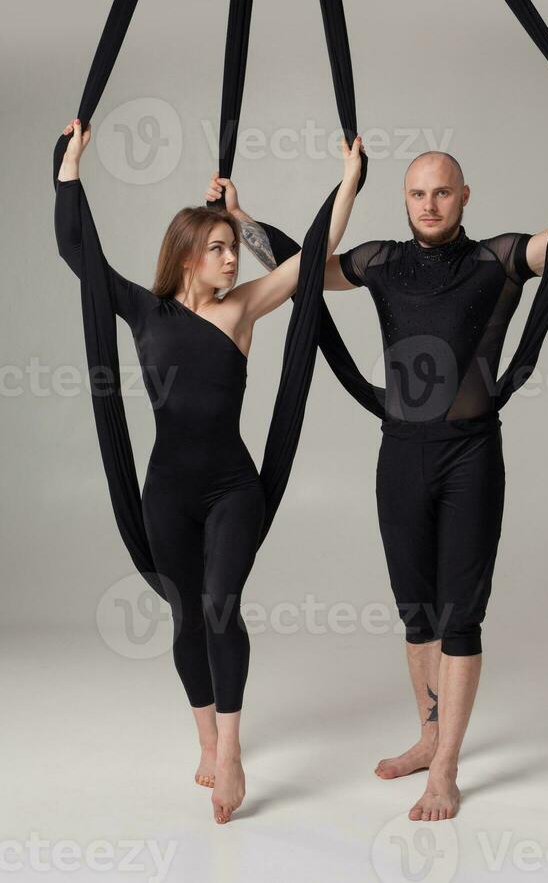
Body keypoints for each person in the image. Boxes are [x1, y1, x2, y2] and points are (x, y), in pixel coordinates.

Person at [221, 88, 548, 821]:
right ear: (403, 199)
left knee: (461, 614)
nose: (428, 204)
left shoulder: (498, 259)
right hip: (400, 454)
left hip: (469, 455)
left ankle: (446, 769)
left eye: (441, 192)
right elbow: (300, 270)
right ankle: (426, 736)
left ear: (463, 195)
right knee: (417, 613)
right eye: (416, 193)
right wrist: (242, 221)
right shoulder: (379, 261)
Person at [55, 118, 364, 825]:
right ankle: (204, 736)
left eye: (232, 249)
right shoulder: (144, 310)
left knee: (221, 604)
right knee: (185, 614)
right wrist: (70, 164)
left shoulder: (244, 310)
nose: (232, 261)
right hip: (167, 492)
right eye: (220, 250)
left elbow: (309, 255)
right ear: (188, 257)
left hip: (232, 488)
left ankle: (230, 750)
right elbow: (77, 248)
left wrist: (346, 183)